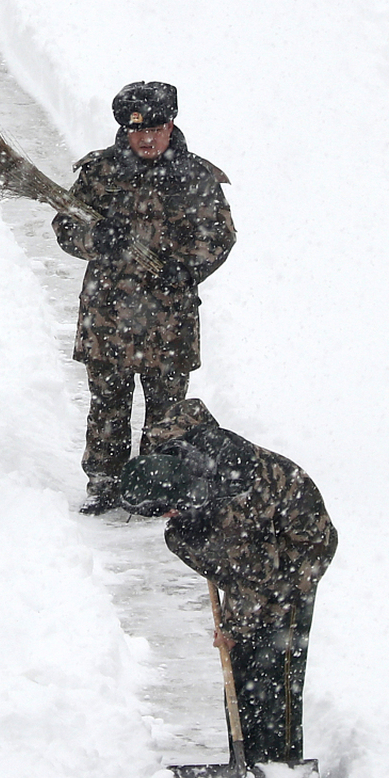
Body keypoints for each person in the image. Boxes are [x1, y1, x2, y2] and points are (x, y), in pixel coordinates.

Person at [119, 398, 337, 765]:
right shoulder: (174, 448)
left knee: (273, 657)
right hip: (259, 537)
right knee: (241, 663)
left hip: (301, 545)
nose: (166, 517)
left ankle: (278, 763)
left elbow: (256, 581)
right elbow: (191, 409)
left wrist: (233, 629)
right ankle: (247, 756)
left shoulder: (231, 514)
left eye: (165, 511)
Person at [52, 82, 236, 515]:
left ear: (171, 125)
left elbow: (220, 235)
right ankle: (104, 482)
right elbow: (65, 226)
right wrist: (96, 239)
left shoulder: (197, 176)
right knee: (108, 405)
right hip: (108, 314)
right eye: (138, 131)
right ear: (125, 130)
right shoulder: (99, 172)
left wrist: (186, 268)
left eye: (155, 129)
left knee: (167, 410)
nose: (147, 139)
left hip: (170, 318)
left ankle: (158, 484)